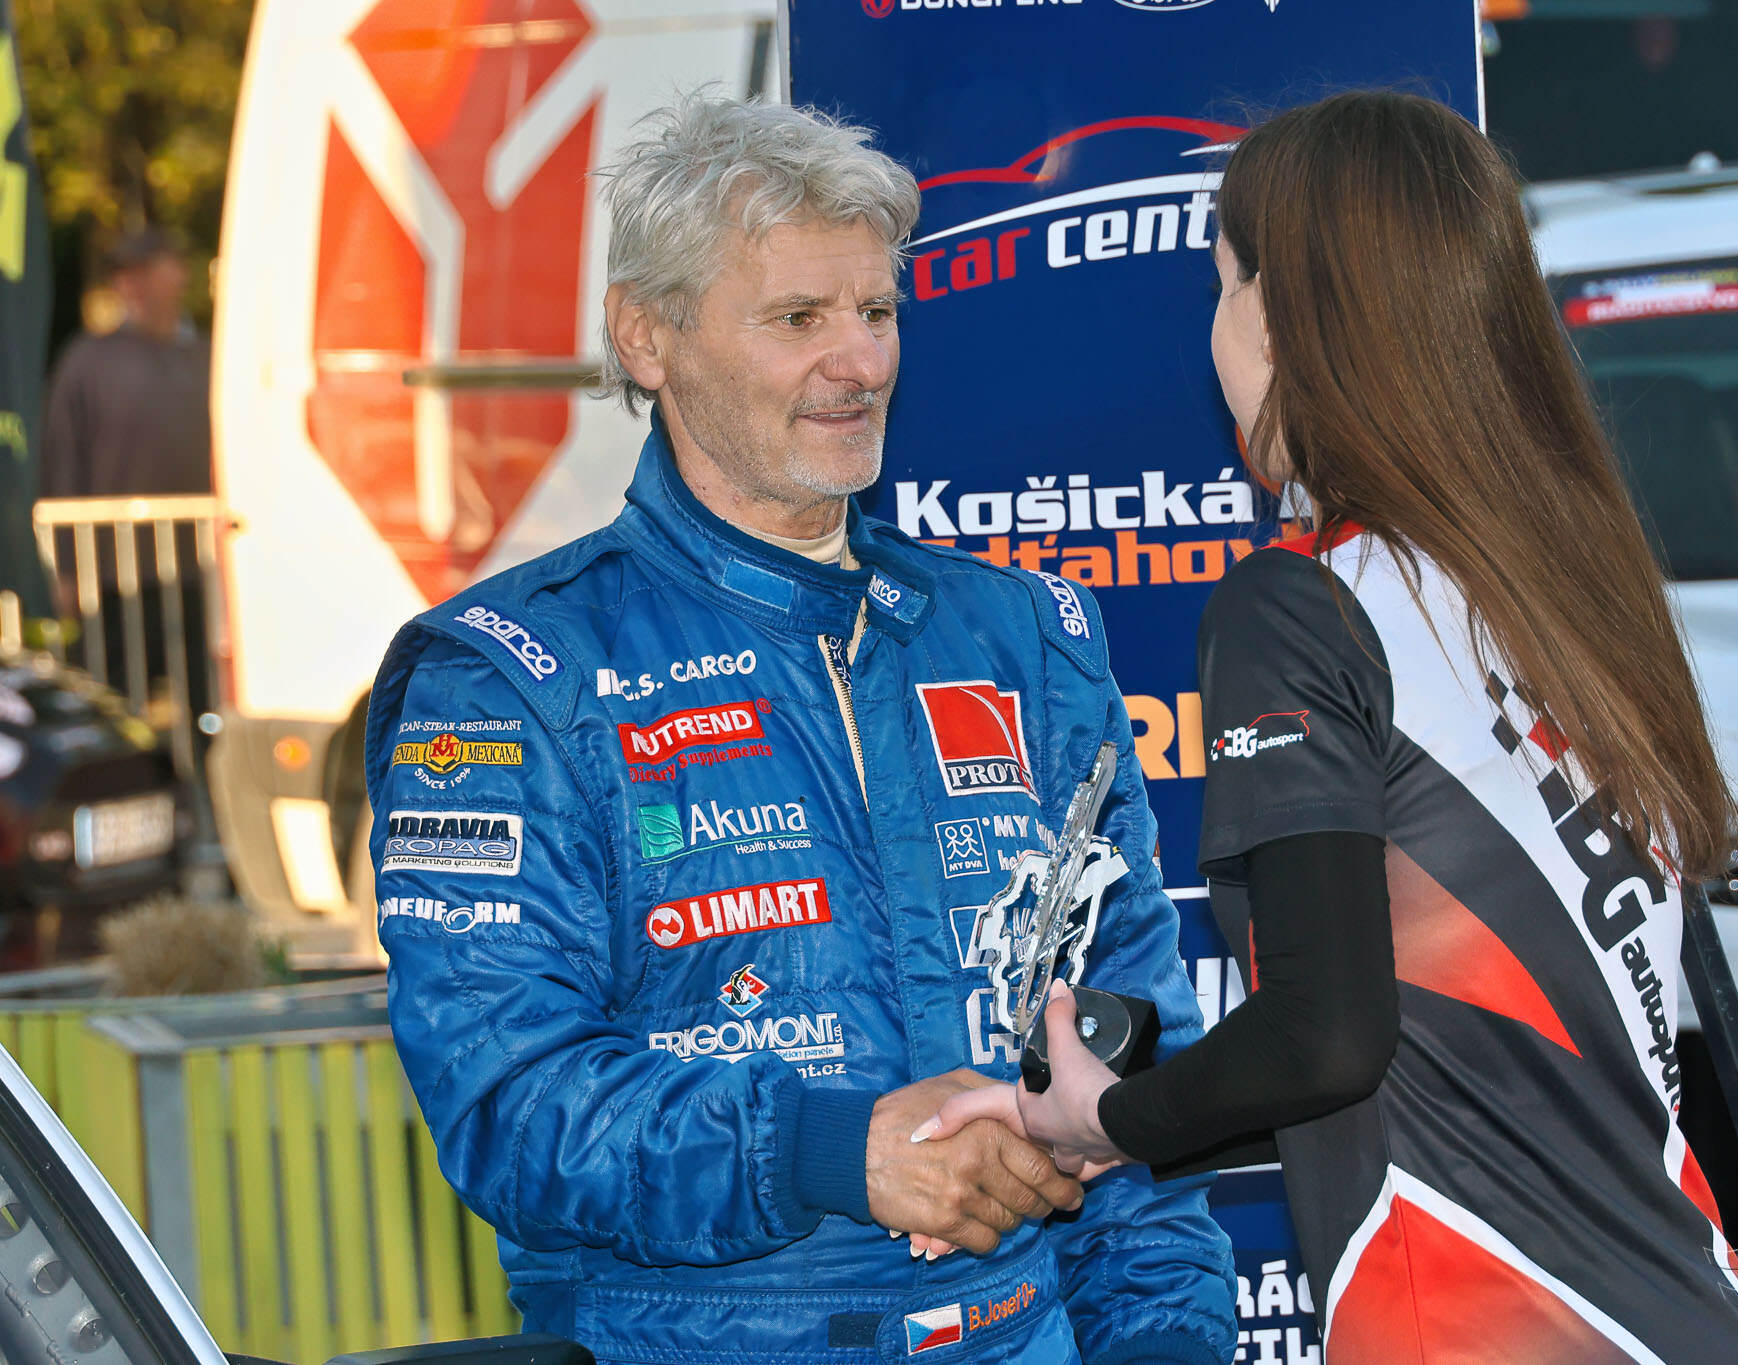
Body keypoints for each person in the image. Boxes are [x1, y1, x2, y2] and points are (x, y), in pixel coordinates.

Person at [364, 96, 1236, 1365]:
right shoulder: (509, 678)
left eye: (876, 312)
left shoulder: (1024, 637)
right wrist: (834, 1151)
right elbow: (506, 1099)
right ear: (646, 337)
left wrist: (1163, 1343)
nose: (861, 363)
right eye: (797, 319)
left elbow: (1130, 1039)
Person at [925, 90, 1738, 1363]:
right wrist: (1134, 1118)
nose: (1212, 326)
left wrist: (1107, 1119)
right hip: (1679, 1305)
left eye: (1221, 283)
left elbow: (1326, 1034)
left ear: (1281, 315)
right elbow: (1415, 1049)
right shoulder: (1555, 581)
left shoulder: (1305, 602)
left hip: (1483, 1328)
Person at [41, 227, 210, 501]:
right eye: (122, 275)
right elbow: (61, 461)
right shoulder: (87, 361)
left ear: (180, 273)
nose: (132, 285)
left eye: (145, 270)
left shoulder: (211, 360)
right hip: (107, 528)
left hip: (204, 526)